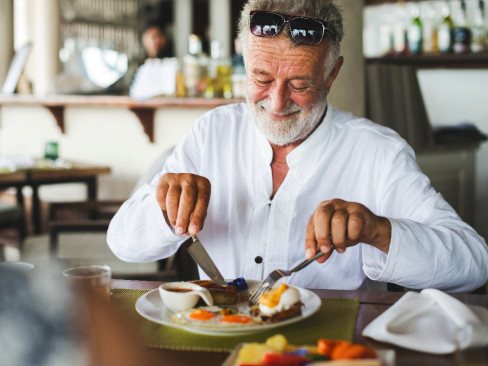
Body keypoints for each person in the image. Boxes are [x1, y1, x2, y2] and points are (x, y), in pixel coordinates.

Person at [108, 0, 488, 292]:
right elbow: (122, 242)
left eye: (299, 84)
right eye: (261, 77)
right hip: (219, 337)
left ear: (332, 74)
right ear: (245, 61)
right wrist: (165, 208)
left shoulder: (378, 153)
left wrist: (378, 231)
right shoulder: (213, 132)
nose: (276, 102)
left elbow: (474, 263)